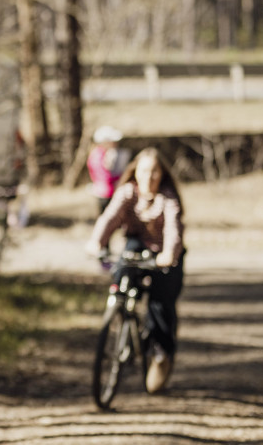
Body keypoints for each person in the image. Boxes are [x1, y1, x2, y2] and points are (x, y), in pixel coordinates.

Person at [85, 147, 185, 394]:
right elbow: (109, 218)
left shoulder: (168, 198)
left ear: (162, 175)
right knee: (122, 267)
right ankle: (119, 308)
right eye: (143, 171)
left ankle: (161, 354)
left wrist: (168, 255)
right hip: (137, 245)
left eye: (154, 172)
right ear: (134, 173)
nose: (149, 177)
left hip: (165, 255)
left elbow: (173, 230)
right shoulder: (127, 193)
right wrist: (96, 242)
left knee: (160, 305)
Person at [86, 125, 130, 216]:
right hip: (105, 193)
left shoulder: (103, 153)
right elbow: (104, 177)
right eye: (112, 141)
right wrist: (123, 176)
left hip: (108, 191)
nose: (115, 143)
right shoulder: (98, 155)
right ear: (104, 142)